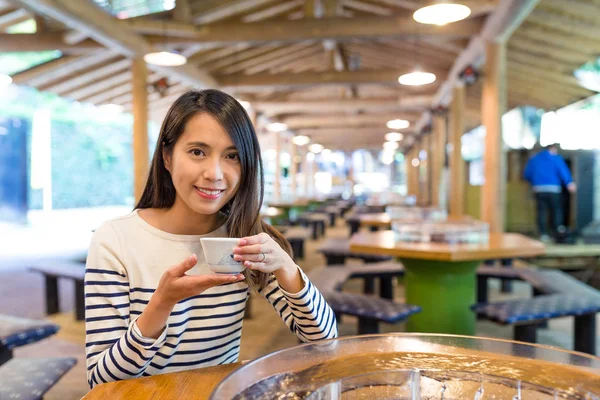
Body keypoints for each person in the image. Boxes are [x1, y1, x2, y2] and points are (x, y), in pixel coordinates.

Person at [85, 90, 337, 388]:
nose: (215, 173)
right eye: (197, 152)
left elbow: (324, 342)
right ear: (167, 156)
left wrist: (287, 268)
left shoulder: (244, 238)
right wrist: (161, 305)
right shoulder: (116, 240)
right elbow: (101, 380)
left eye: (232, 156)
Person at [524, 143, 576, 242]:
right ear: (552, 149)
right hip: (553, 188)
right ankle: (557, 232)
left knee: (541, 211)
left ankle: (543, 234)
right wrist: (569, 183)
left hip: (539, 189)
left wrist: (535, 182)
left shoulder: (535, 159)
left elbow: (527, 174)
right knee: (556, 210)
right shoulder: (556, 158)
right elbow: (563, 171)